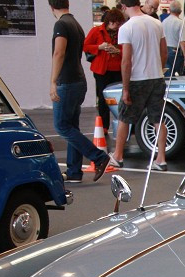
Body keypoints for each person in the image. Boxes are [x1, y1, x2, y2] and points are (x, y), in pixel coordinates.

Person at [47, 0, 110, 183]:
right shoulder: (75, 24)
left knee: (62, 126)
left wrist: (52, 81)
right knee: (72, 126)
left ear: (51, 7)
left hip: (66, 81)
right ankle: (74, 171)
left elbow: (59, 53)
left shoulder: (61, 24)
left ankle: (98, 156)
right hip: (79, 80)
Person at [111, 0, 168, 171]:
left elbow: (126, 61)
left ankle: (118, 156)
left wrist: (125, 88)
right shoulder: (157, 23)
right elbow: (164, 52)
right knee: (158, 119)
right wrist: (158, 69)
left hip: (137, 79)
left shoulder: (126, 28)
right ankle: (161, 159)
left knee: (124, 116)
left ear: (123, 7)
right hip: (157, 77)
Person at [84, 7, 125, 133]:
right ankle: (104, 126)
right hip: (101, 70)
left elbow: (129, 50)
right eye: (115, 23)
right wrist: (100, 47)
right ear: (109, 21)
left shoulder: (122, 32)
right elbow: (85, 46)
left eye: (119, 23)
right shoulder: (96, 31)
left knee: (119, 98)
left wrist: (118, 51)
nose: (117, 26)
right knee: (102, 99)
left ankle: (121, 125)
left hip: (118, 69)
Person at [162, 0, 185, 76]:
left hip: (165, 50)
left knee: (167, 74)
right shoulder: (180, 23)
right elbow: (182, 42)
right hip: (176, 52)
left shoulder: (164, 22)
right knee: (180, 76)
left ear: (169, 10)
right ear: (180, 11)